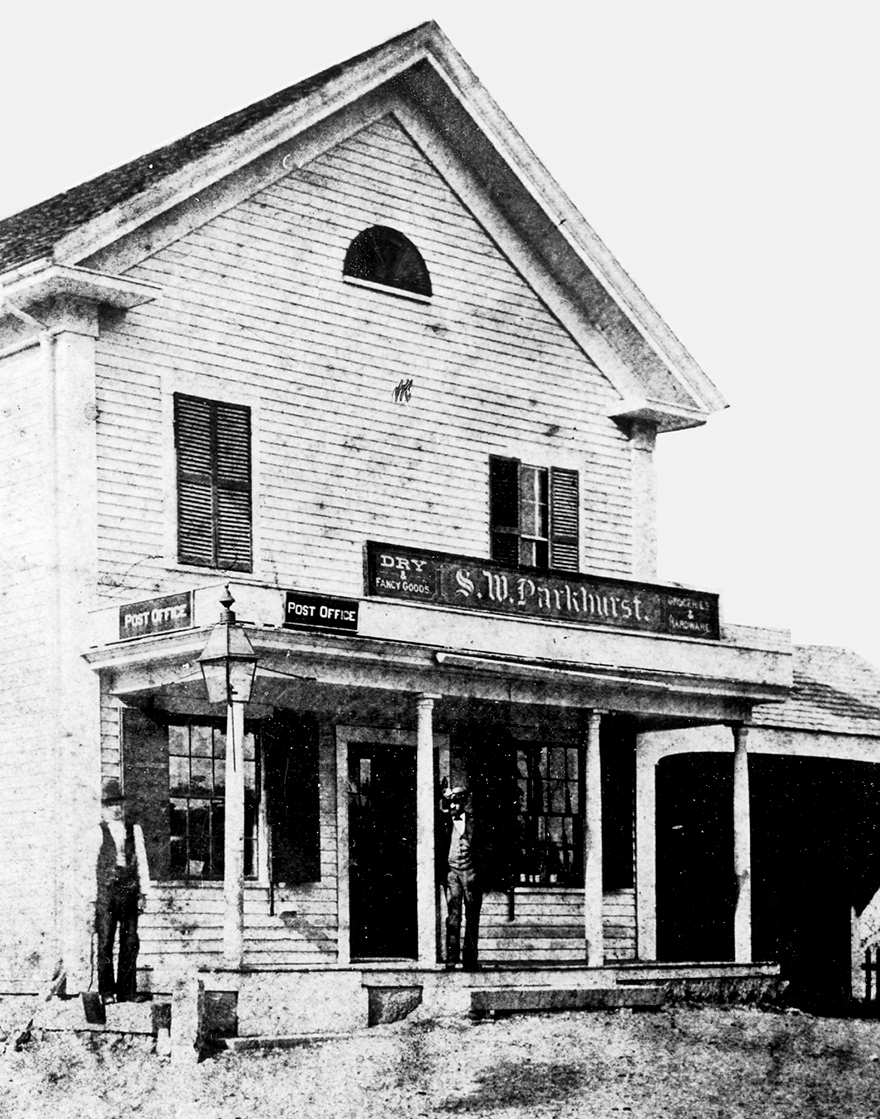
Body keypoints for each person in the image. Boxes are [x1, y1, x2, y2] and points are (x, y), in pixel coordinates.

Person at [90, 779, 152, 1003]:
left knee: (130, 941)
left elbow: (142, 862)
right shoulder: (97, 832)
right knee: (105, 942)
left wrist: (143, 893)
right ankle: (106, 992)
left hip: (129, 891)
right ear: (104, 807)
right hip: (106, 894)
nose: (116, 809)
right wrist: (91, 901)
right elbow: (90, 868)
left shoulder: (134, 830)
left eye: (119, 804)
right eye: (111, 804)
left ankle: (127, 991)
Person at [439, 783, 482, 970]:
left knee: (472, 916)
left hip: (472, 874)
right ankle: (451, 959)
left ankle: (470, 961)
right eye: (451, 803)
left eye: (457, 802)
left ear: (464, 802)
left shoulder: (475, 822)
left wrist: (480, 871)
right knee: (453, 917)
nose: (453, 807)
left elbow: (485, 848)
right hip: (452, 873)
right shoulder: (444, 821)